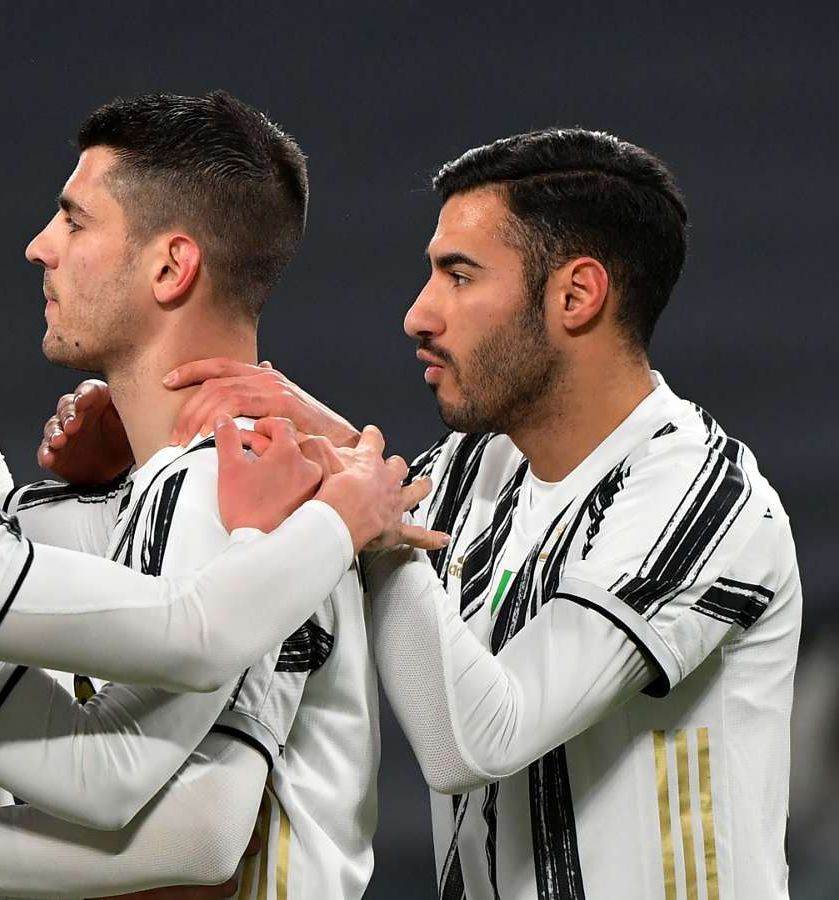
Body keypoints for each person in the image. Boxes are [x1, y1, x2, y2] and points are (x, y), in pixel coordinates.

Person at [103, 128, 802, 900]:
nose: (419, 314)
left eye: (460, 276)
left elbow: (479, 739)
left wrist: (369, 521)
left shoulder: (703, 497)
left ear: (576, 296)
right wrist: (121, 472)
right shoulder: (478, 466)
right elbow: (353, 527)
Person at [0, 74, 431, 898]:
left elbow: (194, 839)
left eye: (75, 220)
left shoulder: (253, 489)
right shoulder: (165, 487)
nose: (39, 246)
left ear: (171, 266)